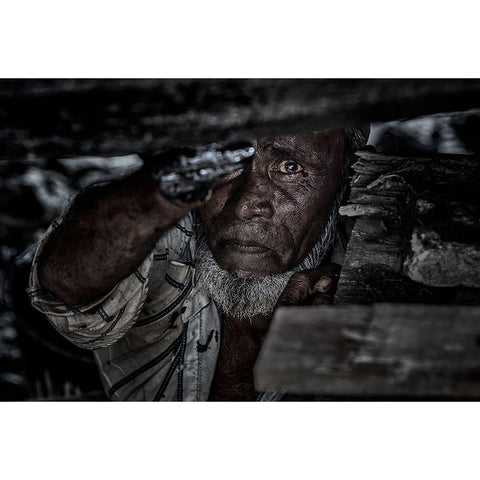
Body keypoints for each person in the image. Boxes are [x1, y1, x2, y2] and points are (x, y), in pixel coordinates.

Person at [28, 128, 368, 401]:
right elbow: (64, 287)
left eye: (289, 168)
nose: (246, 204)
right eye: (226, 165)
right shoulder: (165, 230)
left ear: (344, 176)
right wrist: (163, 189)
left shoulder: (378, 259)